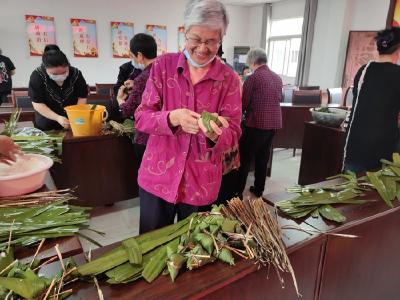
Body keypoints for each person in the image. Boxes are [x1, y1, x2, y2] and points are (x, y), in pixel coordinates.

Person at [135, 0, 242, 234]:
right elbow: (142, 117)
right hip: (158, 179)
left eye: (212, 41)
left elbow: (234, 131)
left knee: (193, 256)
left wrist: (216, 132)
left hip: (200, 184)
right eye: (196, 39)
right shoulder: (164, 66)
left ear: (221, 38)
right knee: (151, 250)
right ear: (185, 33)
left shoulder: (229, 79)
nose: (203, 48)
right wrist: (172, 118)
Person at [343, 27, 400, 172]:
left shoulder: (363, 70)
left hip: (355, 145)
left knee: (351, 189)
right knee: (373, 191)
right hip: (381, 150)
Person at [236, 48, 282, 199]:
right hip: (273, 125)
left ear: (253, 62)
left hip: (255, 124)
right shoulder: (277, 78)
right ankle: (259, 189)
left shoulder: (252, 78)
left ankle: (238, 192)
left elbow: (244, 103)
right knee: (263, 158)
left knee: (245, 160)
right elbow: (279, 98)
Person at [117, 33, 157, 165]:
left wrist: (120, 100)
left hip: (147, 137)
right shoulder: (165, 72)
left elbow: (127, 110)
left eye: (132, 56)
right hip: (166, 134)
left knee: (147, 178)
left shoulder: (142, 78)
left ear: (139, 55)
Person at [28, 48, 88, 131]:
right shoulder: (37, 76)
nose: (60, 76)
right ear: (46, 68)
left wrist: (75, 116)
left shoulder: (76, 74)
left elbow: (82, 97)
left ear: (68, 65)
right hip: (47, 122)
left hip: (73, 121)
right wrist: (57, 118)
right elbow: (37, 103)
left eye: (64, 72)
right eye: (54, 74)